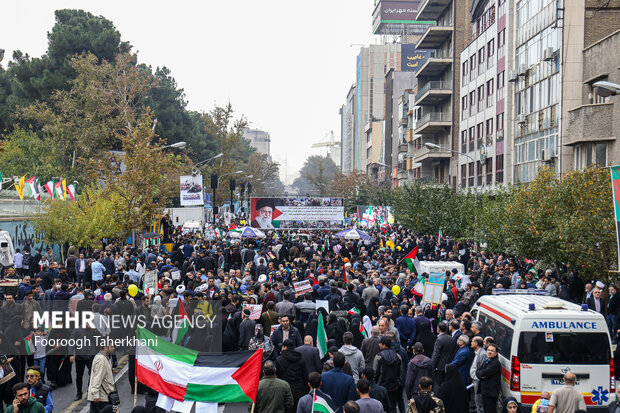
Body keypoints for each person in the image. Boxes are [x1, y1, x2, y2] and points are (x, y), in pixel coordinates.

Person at [275, 340, 309, 407]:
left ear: (285, 347)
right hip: (300, 390)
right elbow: (305, 375)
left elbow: (276, 376)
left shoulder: (279, 360)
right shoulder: (300, 359)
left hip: (284, 391)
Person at [373, 336, 402, 413]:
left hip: (381, 385)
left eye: (380, 343)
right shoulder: (397, 356)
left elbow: (375, 372)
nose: (379, 345)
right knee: (392, 407)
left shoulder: (379, 356)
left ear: (384, 345)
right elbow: (399, 372)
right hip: (394, 386)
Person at [87, 344, 116, 413]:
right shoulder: (101, 360)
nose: (113, 348)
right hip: (101, 398)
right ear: (105, 347)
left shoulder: (104, 357)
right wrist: (96, 394)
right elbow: (97, 378)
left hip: (101, 396)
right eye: (111, 347)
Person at [476, 344, 501, 413]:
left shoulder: (495, 364)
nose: (489, 352)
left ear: (496, 353)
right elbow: (478, 372)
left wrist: (481, 374)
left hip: (490, 393)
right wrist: (481, 375)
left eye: (492, 351)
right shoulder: (487, 360)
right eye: (488, 350)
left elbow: (483, 373)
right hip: (485, 392)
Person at [431, 322, 455, 386]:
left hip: (440, 366)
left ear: (438, 329)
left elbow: (436, 354)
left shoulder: (439, 340)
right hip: (450, 363)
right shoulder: (451, 338)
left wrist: (432, 366)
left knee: (439, 384)